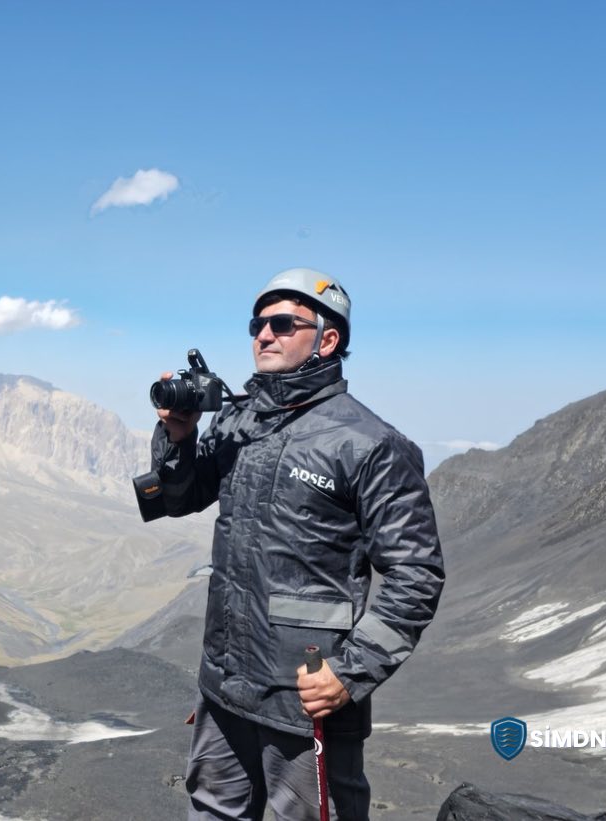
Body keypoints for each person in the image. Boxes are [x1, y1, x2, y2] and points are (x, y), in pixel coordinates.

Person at [137, 268, 444, 820]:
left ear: (327, 339)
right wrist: (178, 437)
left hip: (306, 699)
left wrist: (349, 673)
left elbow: (416, 576)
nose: (263, 334)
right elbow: (181, 499)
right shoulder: (240, 422)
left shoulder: (370, 444)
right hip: (224, 685)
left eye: (282, 324)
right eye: (257, 324)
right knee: (210, 811)